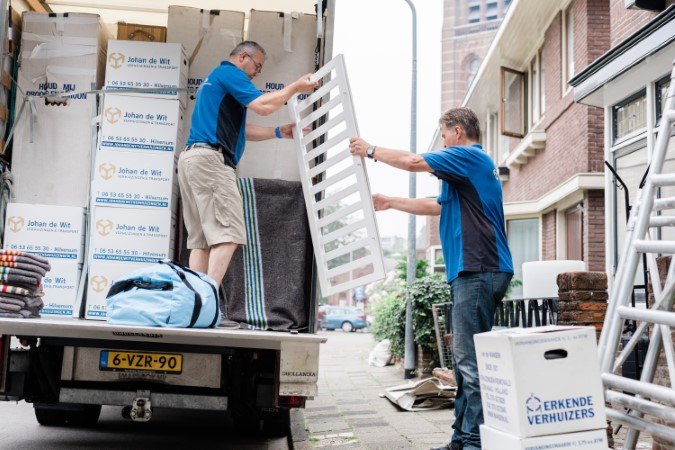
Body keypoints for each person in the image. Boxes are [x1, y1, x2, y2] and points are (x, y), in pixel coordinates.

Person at [349, 107, 513, 450]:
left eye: (443, 135)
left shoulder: (467, 156)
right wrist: (390, 202)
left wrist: (370, 150)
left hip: (478, 269)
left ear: (456, 132)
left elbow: (412, 162)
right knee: (467, 361)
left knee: (469, 363)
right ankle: (461, 440)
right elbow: (435, 207)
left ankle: (472, 443)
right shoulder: (465, 176)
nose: (442, 143)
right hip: (478, 271)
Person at [178, 41, 317, 309]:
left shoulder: (219, 81)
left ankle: (192, 304)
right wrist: (296, 87)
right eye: (257, 67)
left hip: (193, 160)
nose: (257, 74)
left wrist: (279, 132)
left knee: (202, 241)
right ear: (243, 57)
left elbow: (244, 130)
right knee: (229, 234)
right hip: (210, 162)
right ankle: (205, 302)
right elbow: (264, 106)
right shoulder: (230, 73)